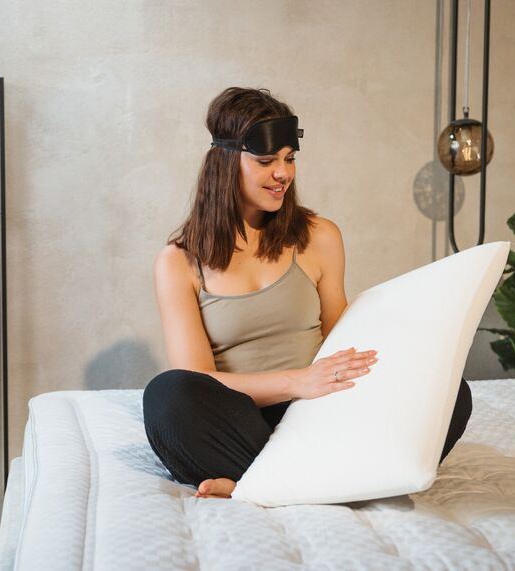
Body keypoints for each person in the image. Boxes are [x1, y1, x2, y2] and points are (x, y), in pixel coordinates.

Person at [143, 87, 472, 499]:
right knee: (168, 396)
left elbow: (343, 339)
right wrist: (297, 382)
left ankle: (260, 483)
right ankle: (325, 479)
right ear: (225, 164)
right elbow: (198, 378)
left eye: (289, 159)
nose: (283, 174)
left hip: (321, 412)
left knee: (450, 389)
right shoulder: (179, 262)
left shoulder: (319, 237)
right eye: (266, 161)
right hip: (245, 419)